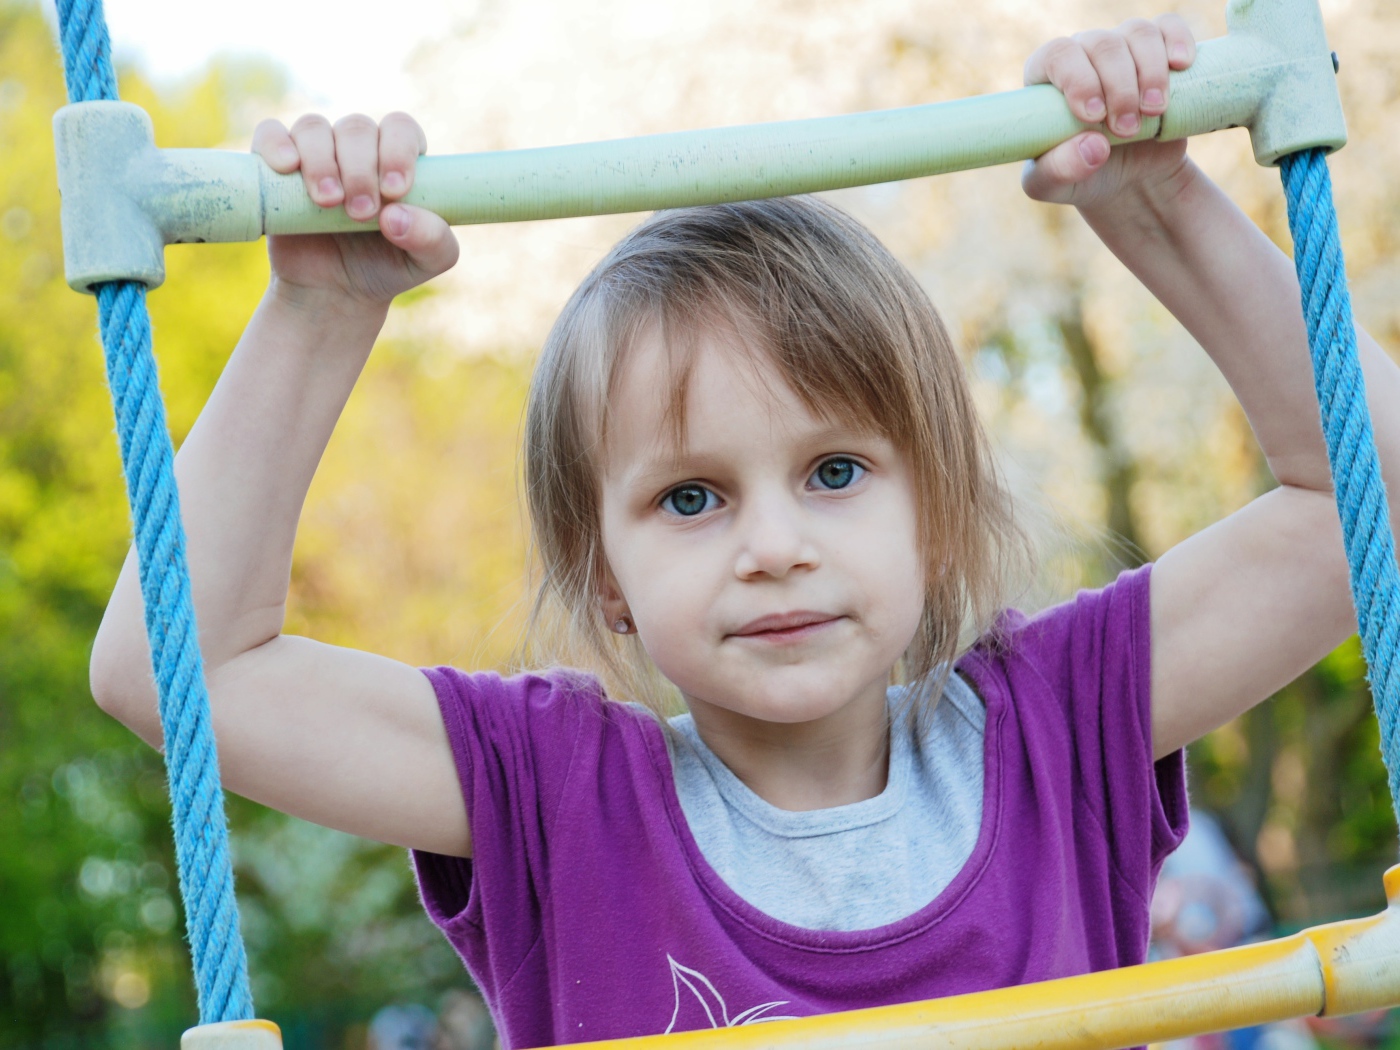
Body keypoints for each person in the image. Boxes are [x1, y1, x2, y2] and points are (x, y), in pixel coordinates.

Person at [88, 13, 1400, 1049]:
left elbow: (1370, 499)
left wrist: (1159, 203)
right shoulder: (559, 796)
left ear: (935, 516)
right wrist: (319, 315)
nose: (770, 543)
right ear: (607, 576)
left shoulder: (1057, 724)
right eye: (692, 497)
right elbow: (173, 671)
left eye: (834, 469)